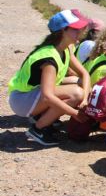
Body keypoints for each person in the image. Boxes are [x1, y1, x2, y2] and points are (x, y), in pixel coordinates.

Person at [8, 9, 91, 146]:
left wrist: (85, 99)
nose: (81, 32)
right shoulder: (49, 59)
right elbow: (47, 96)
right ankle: (38, 129)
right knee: (76, 93)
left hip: (33, 93)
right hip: (21, 100)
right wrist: (75, 113)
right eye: (76, 29)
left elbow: (84, 74)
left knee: (80, 86)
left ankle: (42, 117)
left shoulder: (66, 47)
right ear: (63, 30)